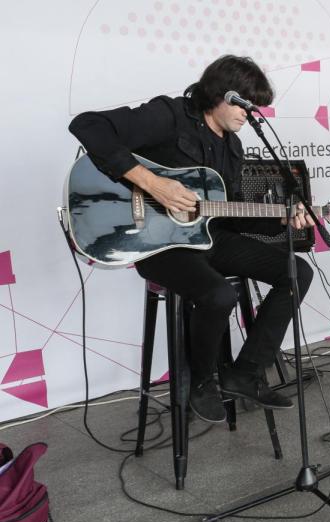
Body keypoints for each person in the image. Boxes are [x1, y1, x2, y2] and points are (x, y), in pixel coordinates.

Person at [69, 55, 316, 423]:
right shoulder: (170, 115)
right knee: (219, 294)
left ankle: (244, 373)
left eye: (255, 109)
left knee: (296, 271)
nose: (249, 116)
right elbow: (87, 126)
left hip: (206, 237)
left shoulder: (233, 149)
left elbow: (227, 218)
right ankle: (201, 380)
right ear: (221, 93)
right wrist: (154, 184)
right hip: (155, 242)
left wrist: (283, 219)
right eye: (244, 105)